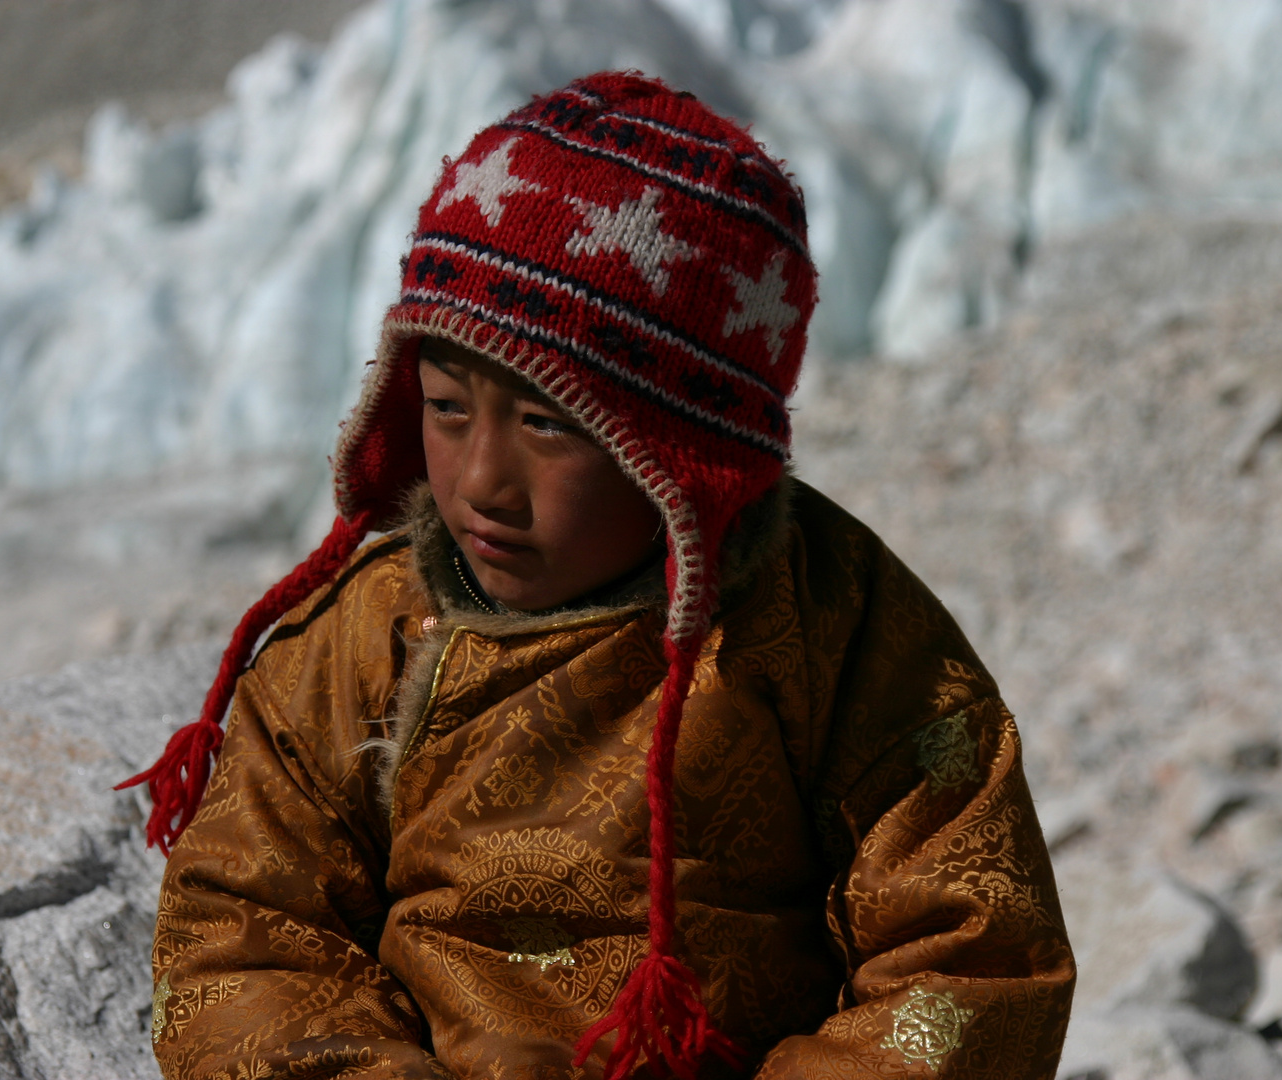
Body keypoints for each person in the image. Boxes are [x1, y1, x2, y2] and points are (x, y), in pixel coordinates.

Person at [123, 72, 1076, 1080]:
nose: (483, 481)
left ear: (686, 452)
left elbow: (975, 955)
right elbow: (243, 930)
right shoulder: (362, 640)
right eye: (447, 407)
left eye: (549, 424)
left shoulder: (838, 626)